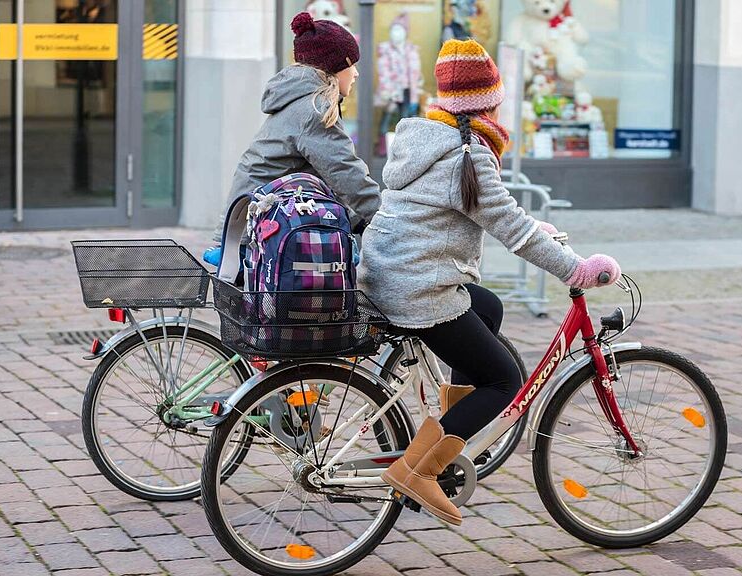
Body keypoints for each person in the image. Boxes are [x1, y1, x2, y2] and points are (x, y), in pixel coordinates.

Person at [358, 39, 621, 525]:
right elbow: (512, 231)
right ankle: (420, 470)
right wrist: (576, 269)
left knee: (490, 309)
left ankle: (460, 437)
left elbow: (493, 215)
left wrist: (535, 229)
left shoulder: (422, 138)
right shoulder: (468, 154)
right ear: (489, 102)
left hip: (386, 274)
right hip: (419, 289)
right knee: (504, 380)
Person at [209, 11, 380, 249]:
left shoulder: (299, 99)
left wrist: (354, 218)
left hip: (247, 227)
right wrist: (382, 218)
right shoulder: (314, 109)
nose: (356, 74)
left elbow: (321, 177)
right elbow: (345, 172)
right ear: (335, 68)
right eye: (352, 65)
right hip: (255, 237)